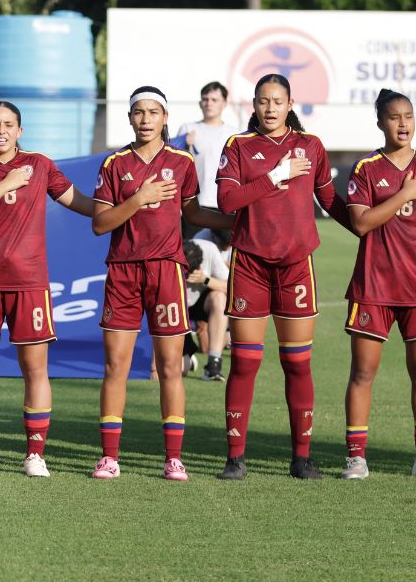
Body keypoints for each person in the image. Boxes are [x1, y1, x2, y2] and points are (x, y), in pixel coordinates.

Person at [90, 85, 233, 482]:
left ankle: (173, 458)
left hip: (167, 271)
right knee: (115, 365)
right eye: (139, 112)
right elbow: (100, 223)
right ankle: (109, 457)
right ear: (130, 117)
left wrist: (238, 221)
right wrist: (139, 198)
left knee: (171, 365)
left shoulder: (182, 162)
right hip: (122, 270)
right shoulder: (114, 164)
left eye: (154, 112)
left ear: (165, 118)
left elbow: (193, 211)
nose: (146, 118)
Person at [0, 101, 94, 478]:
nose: (1, 131)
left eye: (8, 124)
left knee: (35, 368)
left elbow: (78, 201)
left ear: (20, 130)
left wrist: (126, 207)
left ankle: (34, 454)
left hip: (29, 282)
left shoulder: (40, 164)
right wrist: (6, 183)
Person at [215, 73, 350, 481]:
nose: (270, 108)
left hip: (295, 266)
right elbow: (227, 201)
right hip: (251, 265)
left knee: (298, 363)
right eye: (262, 101)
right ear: (253, 105)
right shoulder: (238, 146)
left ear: (291, 103)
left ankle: (302, 458)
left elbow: (329, 199)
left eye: (277, 101)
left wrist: (367, 227)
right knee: (244, 362)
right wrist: (276, 174)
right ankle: (235, 458)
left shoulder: (310, 146)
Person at [339, 89, 416, 481]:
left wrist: (413, 248)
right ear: (380, 123)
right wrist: (404, 194)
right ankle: (356, 457)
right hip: (373, 286)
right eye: (394, 117)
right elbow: (362, 223)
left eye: (408, 116)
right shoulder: (366, 169)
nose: (402, 124)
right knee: (363, 373)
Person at [177, 81, 241, 240]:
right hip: (194, 206)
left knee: (224, 258)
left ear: (224, 103)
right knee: (194, 256)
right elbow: (175, 167)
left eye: (214, 99)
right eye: (205, 99)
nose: (209, 103)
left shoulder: (235, 135)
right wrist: (184, 144)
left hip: (225, 205)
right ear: (200, 103)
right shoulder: (187, 129)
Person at [186, 229, 231, 381]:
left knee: (219, 298)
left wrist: (204, 279)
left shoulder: (209, 249)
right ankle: (188, 358)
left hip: (202, 300)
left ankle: (214, 364)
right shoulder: (201, 241)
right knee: (176, 369)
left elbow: (231, 286)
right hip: (178, 307)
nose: (226, 248)